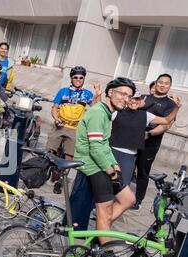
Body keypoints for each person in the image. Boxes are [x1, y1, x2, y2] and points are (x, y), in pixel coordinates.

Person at [74, 77, 137, 247]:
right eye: (122, 94)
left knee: (129, 199)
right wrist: (110, 171)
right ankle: (106, 253)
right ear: (110, 93)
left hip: (101, 162)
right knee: (105, 209)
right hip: (92, 165)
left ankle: (101, 232)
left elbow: (104, 145)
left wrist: (114, 164)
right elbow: (95, 148)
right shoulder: (98, 113)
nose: (126, 99)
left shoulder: (107, 113)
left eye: (129, 96)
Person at [111, 90, 181, 186]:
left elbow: (166, 120)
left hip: (129, 157)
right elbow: (100, 114)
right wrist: (97, 97)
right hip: (112, 153)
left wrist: (176, 107)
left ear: (140, 101)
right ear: (126, 99)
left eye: (136, 99)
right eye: (131, 98)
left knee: (123, 186)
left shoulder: (145, 115)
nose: (133, 101)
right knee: (104, 184)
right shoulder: (117, 112)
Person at [132, 74, 182, 209]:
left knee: (142, 172)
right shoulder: (143, 98)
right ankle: (118, 195)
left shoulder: (170, 103)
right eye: (160, 82)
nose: (162, 85)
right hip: (132, 139)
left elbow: (166, 125)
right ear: (156, 83)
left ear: (169, 86)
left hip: (150, 142)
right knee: (126, 167)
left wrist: (149, 133)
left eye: (166, 83)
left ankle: (138, 201)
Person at [46, 66, 99, 193]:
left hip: (75, 128)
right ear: (71, 78)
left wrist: (97, 95)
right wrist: (56, 118)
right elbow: (54, 108)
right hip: (60, 125)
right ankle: (47, 170)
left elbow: (97, 108)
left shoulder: (87, 94)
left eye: (81, 78)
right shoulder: (63, 91)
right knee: (50, 149)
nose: (78, 80)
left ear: (84, 79)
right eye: (75, 77)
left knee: (70, 156)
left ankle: (60, 182)